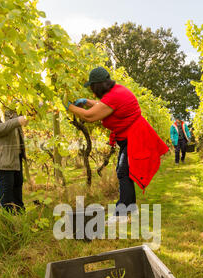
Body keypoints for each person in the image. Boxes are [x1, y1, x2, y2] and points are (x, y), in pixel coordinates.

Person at [62, 66, 169, 222]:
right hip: (131, 136)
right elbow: (101, 105)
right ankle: (129, 209)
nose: (92, 90)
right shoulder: (116, 91)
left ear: (97, 86)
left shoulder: (114, 96)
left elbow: (90, 117)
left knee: (123, 172)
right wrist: (87, 102)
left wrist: (69, 107)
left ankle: (122, 213)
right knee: (124, 171)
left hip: (134, 137)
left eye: (92, 87)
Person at [0, 99, 28, 212]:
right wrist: (17, 121)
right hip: (2, 155)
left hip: (16, 153)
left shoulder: (10, 102)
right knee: (7, 186)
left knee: (18, 183)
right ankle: (9, 218)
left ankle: (21, 213)